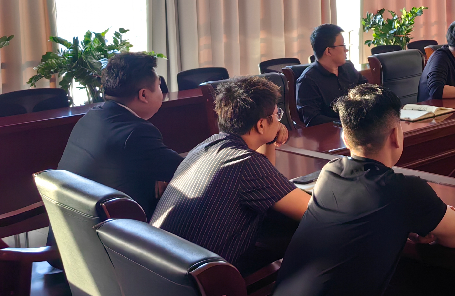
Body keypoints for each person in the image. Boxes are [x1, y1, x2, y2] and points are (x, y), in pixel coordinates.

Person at [259, 85, 455, 296]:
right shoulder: (406, 191)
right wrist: (422, 222)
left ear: (346, 138)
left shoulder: (329, 174)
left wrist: (405, 223)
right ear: (396, 135)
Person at [151, 76, 311, 274]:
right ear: (261, 124)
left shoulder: (209, 144)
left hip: (164, 269)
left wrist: (269, 141)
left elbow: (266, 185)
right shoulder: (245, 163)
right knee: (305, 231)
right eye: (277, 114)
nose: (279, 120)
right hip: (203, 279)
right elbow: (312, 211)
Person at [56, 52, 181, 219]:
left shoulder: (91, 117)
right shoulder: (136, 133)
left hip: (72, 229)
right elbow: (185, 170)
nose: (162, 92)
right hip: (111, 232)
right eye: (159, 86)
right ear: (143, 95)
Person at [297, 24, 366, 126]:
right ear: (328, 51)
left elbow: (366, 89)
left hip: (359, 126)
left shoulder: (348, 67)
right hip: (333, 131)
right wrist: (345, 122)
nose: (346, 50)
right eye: (343, 46)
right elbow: (312, 119)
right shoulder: (307, 81)